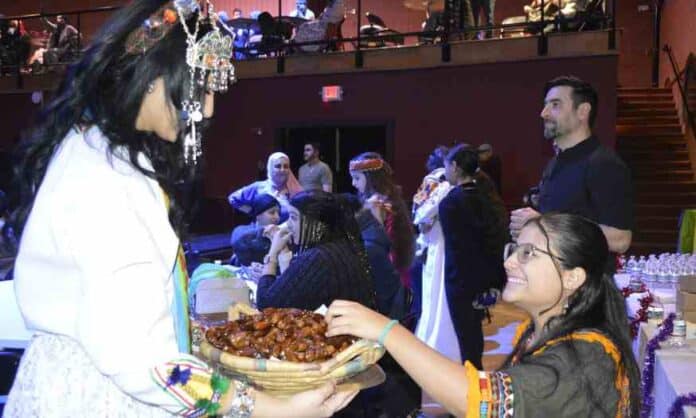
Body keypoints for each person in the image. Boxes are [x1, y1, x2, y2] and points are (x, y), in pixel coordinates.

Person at [3, 1, 356, 416]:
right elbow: (145, 365)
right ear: (153, 78)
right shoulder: (112, 180)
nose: (206, 108)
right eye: (200, 86)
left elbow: (120, 315)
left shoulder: (97, 150)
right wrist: (265, 407)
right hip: (100, 398)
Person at [325, 212, 641, 417]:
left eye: (528, 253)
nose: (510, 262)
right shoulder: (540, 331)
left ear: (573, 278)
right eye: (515, 249)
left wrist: (386, 331)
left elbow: (480, 400)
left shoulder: (583, 358)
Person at [510, 76, 633, 255]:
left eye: (555, 104)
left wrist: (543, 224)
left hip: (586, 281)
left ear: (583, 111)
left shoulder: (604, 164)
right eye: (546, 105)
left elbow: (621, 239)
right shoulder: (555, 163)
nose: (543, 113)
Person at [438, 144, 507, 368]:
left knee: (465, 335)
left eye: (447, 166)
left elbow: (456, 247)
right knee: (473, 334)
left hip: (460, 278)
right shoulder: (487, 196)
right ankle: (476, 374)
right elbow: (495, 239)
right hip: (485, 275)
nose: (445, 171)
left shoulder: (450, 203)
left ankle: (472, 382)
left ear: (455, 167)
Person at [256, 190, 376, 311]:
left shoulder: (318, 257)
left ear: (317, 224)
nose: (288, 225)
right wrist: (283, 251)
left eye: (294, 217)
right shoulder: (341, 245)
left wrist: (273, 253)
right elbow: (291, 291)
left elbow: (266, 305)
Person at [411, 146, 461, 363]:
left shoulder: (433, 179)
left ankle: (433, 338)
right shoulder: (448, 180)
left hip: (436, 239)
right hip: (448, 237)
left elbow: (418, 211)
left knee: (435, 289)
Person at [349, 152, 415, 290]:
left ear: (371, 178)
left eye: (357, 178)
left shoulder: (377, 203)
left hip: (382, 267)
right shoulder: (387, 198)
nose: (353, 183)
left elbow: (378, 243)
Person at [228, 151, 302, 222]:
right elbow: (233, 198)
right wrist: (252, 211)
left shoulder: (294, 189)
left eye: (286, 166)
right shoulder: (259, 187)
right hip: (263, 233)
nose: (282, 170)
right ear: (270, 168)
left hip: (288, 233)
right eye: (278, 166)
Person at [230, 193, 281, 266]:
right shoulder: (241, 232)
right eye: (272, 213)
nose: (277, 217)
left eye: (278, 213)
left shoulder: (280, 233)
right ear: (258, 215)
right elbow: (238, 239)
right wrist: (264, 230)